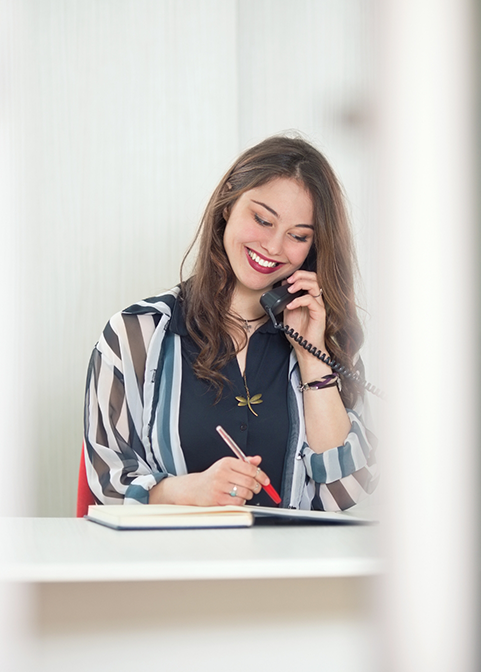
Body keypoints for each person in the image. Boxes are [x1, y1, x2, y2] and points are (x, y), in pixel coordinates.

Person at [83, 135, 378, 511]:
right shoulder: (134, 334)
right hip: (172, 563)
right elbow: (108, 482)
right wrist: (185, 491)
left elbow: (345, 490)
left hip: (290, 565)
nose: (273, 246)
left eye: (298, 236)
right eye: (262, 219)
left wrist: (312, 357)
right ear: (227, 205)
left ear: (313, 249)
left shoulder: (327, 341)